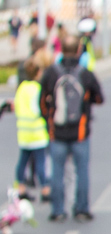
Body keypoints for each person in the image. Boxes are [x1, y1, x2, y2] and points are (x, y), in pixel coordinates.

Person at [40, 36, 103, 222]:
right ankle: (82, 208)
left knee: (57, 172)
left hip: (56, 132)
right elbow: (99, 98)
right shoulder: (85, 74)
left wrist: (49, 121)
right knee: (81, 171)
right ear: (79, 51)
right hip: (80, 133)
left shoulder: (51, 73)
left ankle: (58, 210)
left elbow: (42, 102)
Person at [11, 56, 50, 202]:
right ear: (38, 72)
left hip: (23, 131)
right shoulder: (37, 89)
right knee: (40, 161)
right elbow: (38, 109)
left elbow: (17, 107)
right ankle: (45, 189)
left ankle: (20, 187)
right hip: (37, 131)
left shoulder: (21, 88)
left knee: (23, 161)